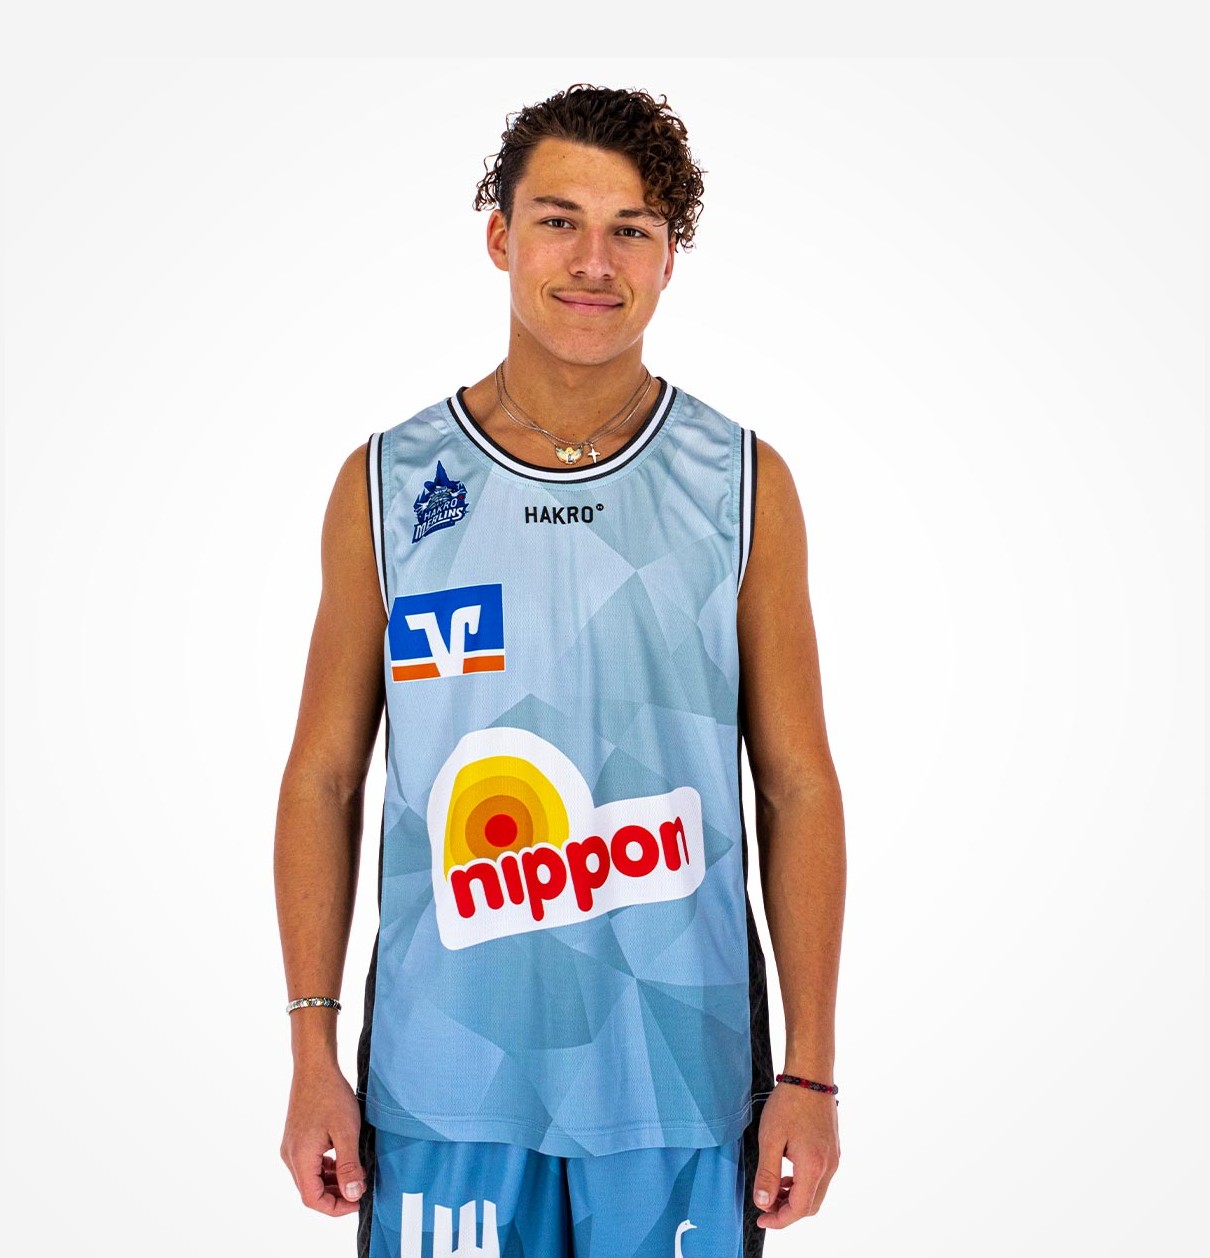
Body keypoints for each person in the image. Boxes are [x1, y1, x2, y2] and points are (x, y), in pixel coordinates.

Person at [274, 82, 846, 1258]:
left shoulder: (741, 483)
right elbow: (324, 776)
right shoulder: (388, 483)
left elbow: (797, 783)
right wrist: (310, 1052)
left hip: (679, 1086)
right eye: (558, 221)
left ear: (669, 257)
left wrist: (810, 1072)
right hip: (444, 1087)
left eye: (631, 228)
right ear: (500, 237)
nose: (594, 261)